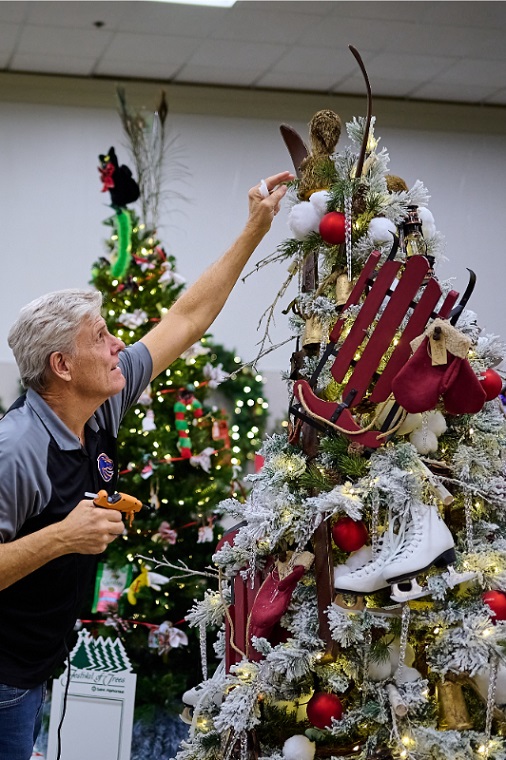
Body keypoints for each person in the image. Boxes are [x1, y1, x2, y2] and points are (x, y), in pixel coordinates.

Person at [0, 171, 293, 760]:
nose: (119, 346)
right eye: (102, 337)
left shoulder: (101, 399)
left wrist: (255, 227)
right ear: (61, 365)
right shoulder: (17, 450)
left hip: (34, 664)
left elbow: (187, 319)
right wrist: (64, 537)